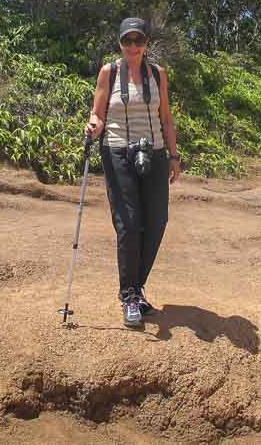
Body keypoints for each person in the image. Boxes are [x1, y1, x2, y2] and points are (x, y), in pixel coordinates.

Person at [86, 17, 182, 328]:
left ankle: (137, 289)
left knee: (156, 221)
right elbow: (97, 114)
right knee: (129, 223)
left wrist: (173, 155)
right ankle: (128, 296)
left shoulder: (158, 74)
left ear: (146, 43)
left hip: (153, 152)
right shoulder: (109, 72)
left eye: (138, 41)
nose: (133, 47)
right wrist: (93, 126)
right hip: (117, 151)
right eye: (127, 41)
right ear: (119, 43)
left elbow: (166, 118)